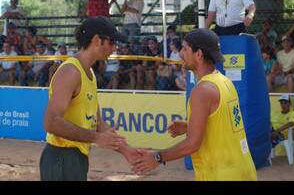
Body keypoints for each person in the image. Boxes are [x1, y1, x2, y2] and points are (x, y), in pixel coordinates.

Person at [132, 28, 257, 181]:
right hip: (241, 170)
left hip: (221, 174)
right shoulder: (225, 82)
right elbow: (222, 124)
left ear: (198, 54)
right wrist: (188, 126)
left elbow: (192, 144)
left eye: (185, 48)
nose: (181, 53)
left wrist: (157, 157)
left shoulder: (202, 90)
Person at [40, 16, 145, 181]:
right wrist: (97, 138)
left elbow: (97, 123)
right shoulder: (71, 71)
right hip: (62, 157)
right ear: (97, 40)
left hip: (74, 157)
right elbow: (51, 122)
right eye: (111, 42)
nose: (114, 47)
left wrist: (126, 150)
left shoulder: (88, 73)